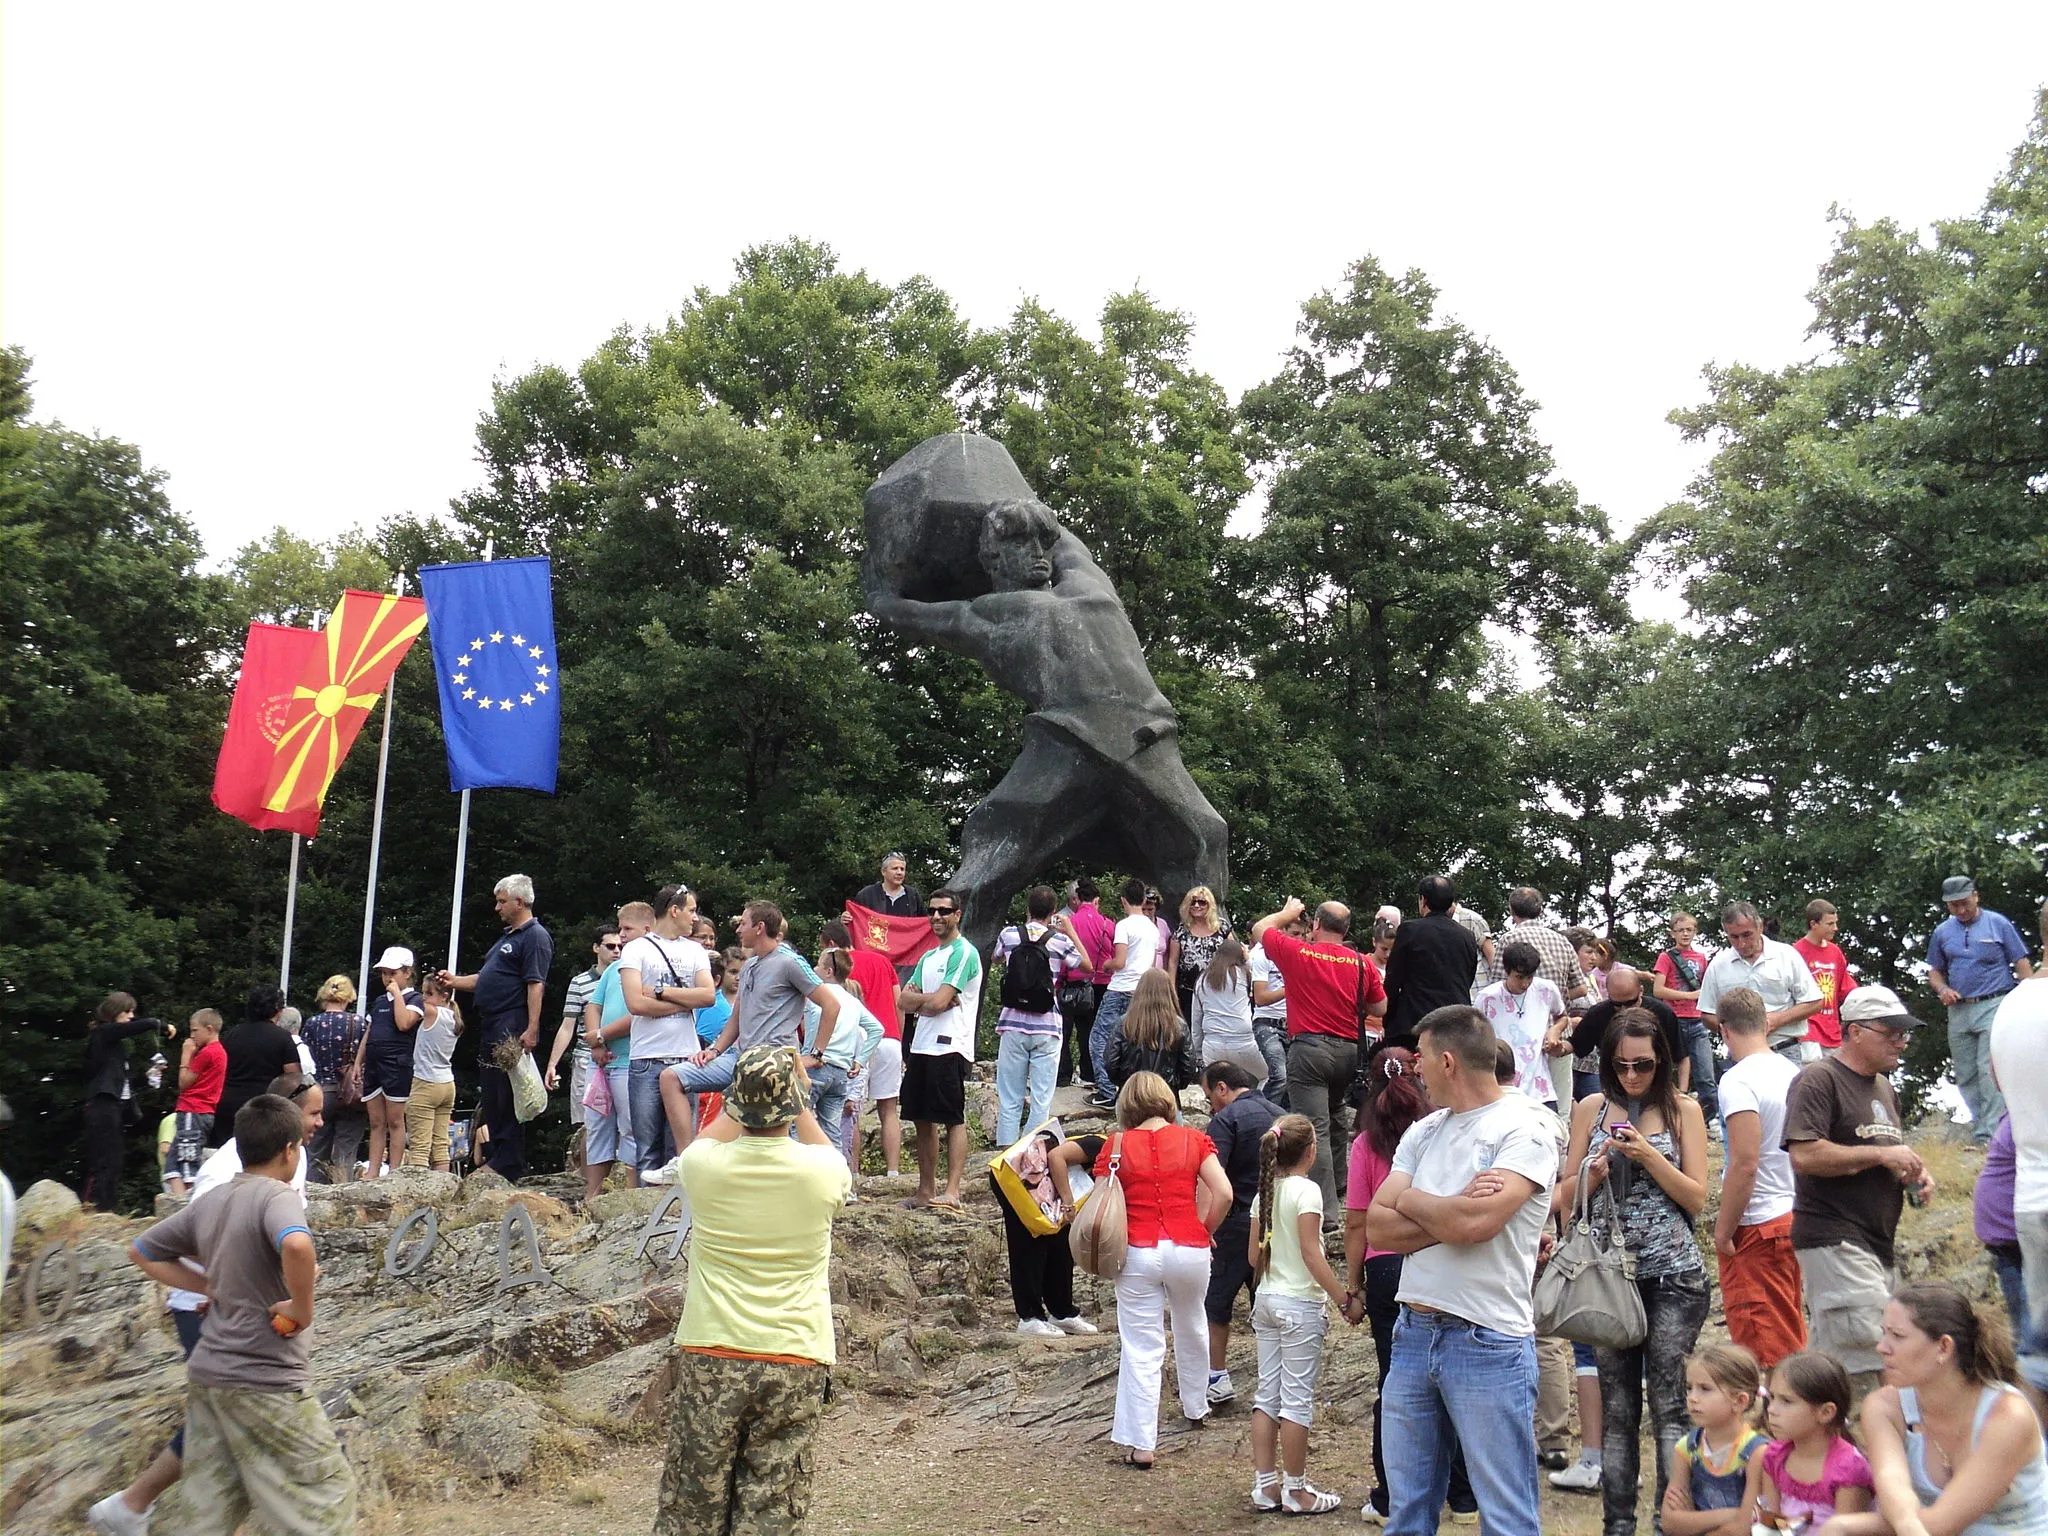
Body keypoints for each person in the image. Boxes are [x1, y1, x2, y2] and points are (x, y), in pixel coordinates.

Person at [91, 1077, 326, 1536]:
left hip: (233, 1309)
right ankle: (133, 1506)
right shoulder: (230, 1175)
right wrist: (222, 1286)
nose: (320, 1121)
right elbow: (215, 1238)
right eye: (313, 1113)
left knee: (216, 1423)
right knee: (241, 1417)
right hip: (211, 1313)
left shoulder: (275, 1164)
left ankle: (130, 1508)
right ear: (286, 1135)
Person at [1367, 1005, 1560, 1536]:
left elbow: (1478, 1223)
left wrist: (1433, 1209)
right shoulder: (1425, 1130)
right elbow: (1379, 1229)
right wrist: (1453, 1209)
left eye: (1420, 1060)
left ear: (1447, 1061)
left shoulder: (1528, 1125)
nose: (1414, 1071)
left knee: (1505, 1516)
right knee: (1406, 1511)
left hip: (1487, 1338)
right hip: (1414, 1332)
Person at [654, 1047, 850, 1536]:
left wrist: (744, 1095)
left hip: (711, 1347)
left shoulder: (702, 1167)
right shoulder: (824, 1172)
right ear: (796, 1099)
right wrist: (796, 1092)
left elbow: (707, 1137)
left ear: (735, 1098)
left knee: (692, 1503)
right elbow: (823, 1145)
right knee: (774, 1505)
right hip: (796, 1353)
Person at [1557, 1008, 1712, 1534]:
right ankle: (1617, 1525)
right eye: (1620, 1066)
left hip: (1673, 1275)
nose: (1631, 1077)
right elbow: (1563, 1201)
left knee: (1671, 1405)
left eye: (1642, 1066)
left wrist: (1647, 1156)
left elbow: (1696, 1197)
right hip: (1609, 1276)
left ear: (1662, 1062)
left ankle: (1672, 1523)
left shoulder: (1683, 1110)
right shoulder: (1590, 1109)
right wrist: (1593, 1173)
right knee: (1618, 1412)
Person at [1344, 1046, 1479, 1525]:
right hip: (1436, 1254)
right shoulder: (1438, 1133)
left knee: (1396, 1384)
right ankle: (1463, 1495)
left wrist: (1353, 1284)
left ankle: (1390, 1496)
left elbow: (1358, 1221)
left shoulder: (1365, 1144)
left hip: (1384, 1267)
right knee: (1457, 1377)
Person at [1787, 983, 1936, 1401]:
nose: (1901, 1041)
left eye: (1904, 1033)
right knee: (1883, 1363)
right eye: (1890, 1032)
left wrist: (1913, 1174)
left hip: (1876, 1245)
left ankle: (1821, 1459)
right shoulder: (1818, 1079)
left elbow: (1883, 1154)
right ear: (1853, 1031)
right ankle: (1892, 1459)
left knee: (1832, 1380)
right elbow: (1805, 1155)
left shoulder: (1885, 1088)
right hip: (1835, 1240)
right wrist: (1880, 1157)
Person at [1098, 1070, 1233, 1468]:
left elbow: (1105, 1199)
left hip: (1137, 1250)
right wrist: (1205, 1228)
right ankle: (1196, 1406)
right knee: (1192, 1324)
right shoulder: (1194, 1139)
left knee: (1142, 1346)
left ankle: (1142, 1443)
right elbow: (1223, 1192)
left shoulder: (1117, 1144)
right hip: (1188, 1246)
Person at [1845, 1282, 2048, 1535]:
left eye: (1897, 1336)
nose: (1881, 1347)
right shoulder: (1884, 1407)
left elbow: (1942, 1524)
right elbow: (1892, 1486)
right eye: (1883, 1333)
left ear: (1944, 1347)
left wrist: (1844, 1526)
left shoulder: (2008, 1416)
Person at [670, 901, 836, 1166]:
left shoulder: (790, 962)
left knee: (787, 1127)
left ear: (759, 928)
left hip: (774, 1063)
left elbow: (831, 1004)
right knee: (672, 1077)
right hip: (740, 1057)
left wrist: (815, 1054)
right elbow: (737, 1017)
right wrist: (713, 1051)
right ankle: (682, 1163)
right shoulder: (748, 966)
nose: (738, 929)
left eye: (743, 923)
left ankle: (831, 1179)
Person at [1250, 896, 1387, 1216]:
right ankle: (1342, 1187)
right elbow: (1380, 1008)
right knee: (1337, 1114)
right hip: (1348, 1052)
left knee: (1316, 1127)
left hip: (1310, 1049)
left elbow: (1260, 929)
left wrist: (1287, 912)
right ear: (1347, 929)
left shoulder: (1299, 952)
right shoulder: (1360, 962)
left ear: (1315, 925)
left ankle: (1325, 1212)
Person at [1246, 1113, 1354, 1515]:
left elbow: (1254, 1256)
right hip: (1299, 1304)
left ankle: (1265, 1485)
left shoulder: (1264, 1194)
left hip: (1268, 1297)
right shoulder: (1307, 1192)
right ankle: (1295, 1489)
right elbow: (1312, 1254)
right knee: (1296, 1400)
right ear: (1311, 1152)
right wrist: (1343, 1297)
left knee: (1266, 1394)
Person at [1712, 986, 1807, 1370]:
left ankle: (1779, 1429)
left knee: (1764, 1354)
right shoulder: (1792, 1072)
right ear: (1766, 1023)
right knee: (1790, 1331)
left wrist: (1723, 1230)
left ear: (1723, 1031)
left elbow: (1745, 1161)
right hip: (1793, 1212)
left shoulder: (1737, 1081)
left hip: (1756, 1224)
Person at [438, 873, 554, 1180]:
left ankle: (509, 1160)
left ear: (519, 901)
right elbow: (485, 979)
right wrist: (455, 982)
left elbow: (535, 984)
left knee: (506, 1092)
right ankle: (497, 1155)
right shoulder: (506, 938)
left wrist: (531, 1027)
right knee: (491, 1092)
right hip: (491, 1021)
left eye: (502, 901)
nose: (497, 907)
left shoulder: (535, 936)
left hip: (510, 1021)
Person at [619, 885, 717, 1177]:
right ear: (674, 911)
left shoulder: (695, 950)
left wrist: (661, 992)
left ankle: (680, 1213)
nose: (695, 918)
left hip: (685, 1059)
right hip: (647, 1057)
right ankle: (648, 1215)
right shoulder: (636, 949)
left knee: (682, 1147)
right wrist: (684, 1003)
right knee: (647, 1147)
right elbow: (635, 1003)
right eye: (691, 910)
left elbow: (708, 996)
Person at [1929, 876, 2036, 1142]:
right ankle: (1981, 1125)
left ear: (1976, 896)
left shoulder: (1998, 924)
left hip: (1995, 1003)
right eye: (1954, 906)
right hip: (1959, 1009)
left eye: (1964, 903)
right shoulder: (1942, 932)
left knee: (1989, 1069)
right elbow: (1934, 972)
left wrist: (2029, 999)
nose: (1961, 910)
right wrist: (1943, 990)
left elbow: (2022, 964)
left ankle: (1990, 1134)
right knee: (1965, 1073)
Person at [1199, 1061, 1280, 1405]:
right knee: (1269, 1301)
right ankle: (1273, 1380)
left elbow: (1213, 1174)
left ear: (1221, 1088)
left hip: (1234, 1222)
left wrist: (1205, 1226)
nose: (1210, 1104)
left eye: (1209, 1096)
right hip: (1275, 1219)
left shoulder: (1226, 1120)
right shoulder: (1280, 1113)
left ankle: (1217, 1377)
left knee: (1216, 1301)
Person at [1991, 899, 2048, 1390]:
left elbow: (1999, 1082)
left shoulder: (2010, 1006)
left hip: (2032, 1196)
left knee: (2038, 1356)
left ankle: (2033, 1468)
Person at [895, 889, 979, 1208]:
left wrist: (928, 1001)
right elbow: (904, 999)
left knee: (952, 1118)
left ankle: (952, 1191)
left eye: (944, 911)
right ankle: (925, 1190)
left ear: (957, 914)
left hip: (950, 1046)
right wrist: (928, 1002)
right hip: (922, 1045)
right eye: (932, 911)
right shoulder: (929, 957)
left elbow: (941, 1001)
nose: (936, 917)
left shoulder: (964, 952)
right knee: (921, 1119)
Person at [990, 886, 1088, 1144]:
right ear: (1054, 912)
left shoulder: (1009, 935)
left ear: (1027, 909)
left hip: (1012, 1023)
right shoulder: (1059, 941)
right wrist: (1070, 931)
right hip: (1047, 1025)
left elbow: (996, 959)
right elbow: (1086, 966)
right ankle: (1031, 1152)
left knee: (1010, 1097)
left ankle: (1005, 1155)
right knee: (1041, 1099)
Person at [990, 1118, 1102, 1337]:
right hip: (1015, 1179)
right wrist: (1068, 1202)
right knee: (1029, 1245)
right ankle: (1029, 1317)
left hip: (1048, 1191)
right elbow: (1055, 1156)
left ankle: (1062, 1312)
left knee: (1060, 1245)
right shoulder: (1102, 1144)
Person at [821, 918, 903, 1176]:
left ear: (832, 946)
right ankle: (893, 1172)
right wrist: (899, 1037)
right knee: (889, 1111)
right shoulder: (881, 960)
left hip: (857, 1043)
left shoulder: (840, 969)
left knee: (850, 1108)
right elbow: (898, 1000)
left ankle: (852, 1171)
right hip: (889, 1038)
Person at [1698, 900, 1823, 1064]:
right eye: (1734, 937)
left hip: (1784, 1051)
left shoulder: (1786, 955)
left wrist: (1777, 1020)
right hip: (1740, 1056)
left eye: (1747, 935)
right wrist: (1736, 1030)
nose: (1741, 943)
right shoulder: (1718, 965)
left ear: (1760, 927)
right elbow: (1707, 1014)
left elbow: (1814, 1002)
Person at [1755, 1351, 1872, 1527]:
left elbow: (1848, 1531)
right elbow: (1770, 1523)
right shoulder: (1774, 1456)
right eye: (1771, 1398)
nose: (1771, 1409)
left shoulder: (1848, 1469)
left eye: (1786, 1401)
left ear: (1825, 1412)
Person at [1498, 888, 1591, 1107]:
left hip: (1518, 1038)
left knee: (1518, 1104)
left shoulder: (1509, 940)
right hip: (1558, 1035)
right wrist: (1555, 997)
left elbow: (1498, 989)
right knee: (1560, 1104)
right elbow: (1581, 988)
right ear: (1541, 909)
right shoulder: (1562, 941)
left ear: (1512, 911)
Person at [1661, 1343, 1766, 1536]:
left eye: (1705, 1389)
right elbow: (1669, 1521)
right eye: (1689, 1388)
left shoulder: (1756, 1453)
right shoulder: (1687, 1447)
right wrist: (1732, 1514)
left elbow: (1747, 1528)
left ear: (1739, 1401)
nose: (1692, 1398)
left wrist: (1692, 1519)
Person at [582, 906, 650, 1196]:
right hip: (600, 1063)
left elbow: (641, 1013)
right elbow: (593, 1006)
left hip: (629, 1060)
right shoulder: (613, 968)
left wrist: (600, 1036)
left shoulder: (650, 965)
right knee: (596, 1129)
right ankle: (592, 1196)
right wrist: (597, 1043)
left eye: (626, 930)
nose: (620, 936)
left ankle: (632, 1196)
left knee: (631, 1130)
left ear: (647, 930)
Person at [1382, 876, 1482, 1048]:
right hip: (1455, 1024)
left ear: (1423, 900)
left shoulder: (1410, 930)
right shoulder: (1467, 936)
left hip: (1413, 1023)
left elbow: (1393, 978)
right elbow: (1468, 977)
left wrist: (1389, 1018)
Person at [546, 928, 617, 1160]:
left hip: (619, 1056)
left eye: (620, 946)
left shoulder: (628, 977)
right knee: (586, 1121)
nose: (617, 950)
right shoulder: (580, 982)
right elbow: (568, 1026)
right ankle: (584, 1175)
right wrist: (553, 1064)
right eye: (610, 946)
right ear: (596, 948)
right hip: (586, 1057)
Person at [1091, 878, 1160, 1108]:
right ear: (1143, 900)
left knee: (1100, 1039)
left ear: (1123, 900)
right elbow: (1150, 963)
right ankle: (1133, 1092)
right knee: (1135, 1041)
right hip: (1142, 990)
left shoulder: (1124, 925)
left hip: (1120, 988)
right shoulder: (1152, 928)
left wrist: (1106, 964)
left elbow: (1120, 962)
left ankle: (1107, 1090)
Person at [1572, 966, 1690, 1097]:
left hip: (1658, 1090)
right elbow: (1576, 1045)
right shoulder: (1598, 1014)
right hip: (1614, 1092)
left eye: (1630, 1003)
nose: (1624, 1010)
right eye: (1617, 1005)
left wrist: (1682, 1093)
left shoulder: (1663, 1013)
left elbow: (1681, 1056)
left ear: (1641, 991)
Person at [803, 949, 882, 1141]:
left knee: (799, 1124)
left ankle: (799, 1168)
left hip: (815, 1066)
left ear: (828, 971)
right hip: (840, 1072)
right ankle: (837, 1168)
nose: (814, 968)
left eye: (819, 965)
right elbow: (877, 1029)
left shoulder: (816, 997)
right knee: (832, 1131)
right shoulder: (853, 1002)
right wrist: (860, 1060)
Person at [1477, 941, 1569, 1106]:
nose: (1525, 984)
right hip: (1501, 1091)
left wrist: (1554, 1031)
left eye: (1530, 977)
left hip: (1541, 1092)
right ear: (1507, 971)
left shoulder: (1546, 989)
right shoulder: (1487, 997)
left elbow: (1562, 1016)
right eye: (1519, 977)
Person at [355, 946, 420, 1177]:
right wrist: (357, 1063)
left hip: (397, 1065)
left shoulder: (415, 999)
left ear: (407, 973)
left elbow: (404, 1023)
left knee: (394, 1120)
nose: (387, 978)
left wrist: (398, 996)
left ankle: (394, 1171)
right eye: (384, 973)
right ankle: (373, 1170)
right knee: (375, 1121)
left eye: (392, 973)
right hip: (373, 1065)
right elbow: (369, 1032)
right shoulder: (380, 1001)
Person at [211, 985, 300, 1148]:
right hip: (264, 1110)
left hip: (228, 1105)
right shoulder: (283, 1038)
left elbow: (219, 1068)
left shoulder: (232, 1034)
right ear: (278, 1010)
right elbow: (292, 1078)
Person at [300, 976, 367, 1182]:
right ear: (349, 996)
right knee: (346, 1151)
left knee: (315, 1151)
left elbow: (306, 1059)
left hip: (320, 1092)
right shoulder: (358, 1023)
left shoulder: (312, 1024)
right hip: (351, 1094)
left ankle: (313, 1196)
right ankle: (341, 1196)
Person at [1654, 911, 1721, 1113]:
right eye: (1680, 930)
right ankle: (1666, 1109)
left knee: (1706, 1073)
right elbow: (1658, 990)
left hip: (1698, 1020)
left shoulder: (1701, 958)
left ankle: (1710, 1117)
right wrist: (1691, 996)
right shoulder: (1666, 957)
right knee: (1665, 1067)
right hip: (1673, 1019)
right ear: (1672, 933)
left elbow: (1707, 988)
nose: (1685, 934)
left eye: (1689, 930)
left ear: (1695, 932)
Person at [401, 975, 461, 1170]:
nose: (424, 997)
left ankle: (419, 1192)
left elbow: (410, 1005)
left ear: (444, 996)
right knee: (440, 1145)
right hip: (447, 1084)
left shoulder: (432, 1013)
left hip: (425, 1083)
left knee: (419, 1146)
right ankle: (443, 1188)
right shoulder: (453, 1017)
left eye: (429, 993)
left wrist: (396, 989)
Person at [1060, 877, 1113, 1088]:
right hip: (1099, 984)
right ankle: (1090, 1075)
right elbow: (1112, 952)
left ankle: (1063, 1075)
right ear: (1096, 899)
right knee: (1092, 1032)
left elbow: (1061, 955)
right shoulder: (1107, 924)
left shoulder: (1068, 924)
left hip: (1070, 984)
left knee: (1064, 1032)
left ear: (1078, 899)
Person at [1104, 969, 1196, 1092]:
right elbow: (1188, 1067)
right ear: (1169, 992)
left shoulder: (1124, 1023)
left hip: (1131, 1095)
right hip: (1166, 1097)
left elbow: (1111, 1062)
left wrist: (1125, 1083)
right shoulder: (1179, 1026)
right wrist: (1172, 1085)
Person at [167, 1009, 226, 1198]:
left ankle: (188, 1206)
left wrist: (186, 1055)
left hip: (192, 1111)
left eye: (195, 1031)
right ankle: (176, 1203)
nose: (192, 1036)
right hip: (204, 1112)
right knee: (172, 1164)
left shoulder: (207, 1053)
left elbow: (184, 1082)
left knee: (187, 1165)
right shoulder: (221, 1052)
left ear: (209, 1029)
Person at [1189, 939, 1264, 1084]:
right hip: (1243, 1041)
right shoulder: (1244, 974)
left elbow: (1196, 1019)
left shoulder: (1202, 980)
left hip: (1212, 1043)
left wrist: (1198, 1052)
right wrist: (1248, 960)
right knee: (1268, 1077)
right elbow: (1261, 974)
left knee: (1220, 1086)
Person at [1792, 899, 1857, 1056]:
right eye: (1829, 924)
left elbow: (1847, 991)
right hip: (1807, 1033)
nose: (1835, 928)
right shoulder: (1795, 953)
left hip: (1832, 1033)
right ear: (1814, 924)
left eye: (1835, 923)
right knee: (1812, 1074)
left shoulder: (1835, 952)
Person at [1248, 913, 1301, 1105]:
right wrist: (1290, 989)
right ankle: (1260, 1112)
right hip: (1267, 1022)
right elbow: (1260, 998)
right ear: (1282, 932)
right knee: (1280, 1075)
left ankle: (1283, 1125)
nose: (1299, 939)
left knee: (1293, 1084)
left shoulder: (1301, 956)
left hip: (1294, 1025)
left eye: (1302, 934)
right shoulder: (1263, 955)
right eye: (1294, 934)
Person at [1167, 885, 1233, 1022]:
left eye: (1202, 902)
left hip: (1217, 990)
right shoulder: (1181, 931)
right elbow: (1172, 962)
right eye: (1193, 902)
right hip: (1188, 991)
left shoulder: (1222, 928)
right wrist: (1171, 991)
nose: (1196, 905)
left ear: (1210, 905)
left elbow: (1233, 954)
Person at [854, 851, 925, 918]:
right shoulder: (867, 894)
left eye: (902, 869)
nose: (899, 872)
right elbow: (855, 919)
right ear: (883, 871)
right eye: (895, 868)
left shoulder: (913, 895)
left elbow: (924, 922)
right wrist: (846, 919)